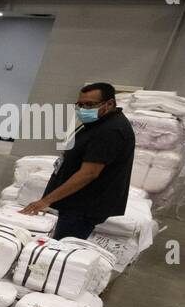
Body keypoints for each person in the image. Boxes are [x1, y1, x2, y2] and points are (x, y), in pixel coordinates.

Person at [20, 82, 135, 240]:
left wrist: (45, 201)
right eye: (80, 105)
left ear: (109, 104)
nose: (83, 109)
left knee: (61, 248)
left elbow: (88, 174)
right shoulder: (99, 123)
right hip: (77, 203)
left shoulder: (111, 131)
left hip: (84, 206)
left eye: (89, 105)